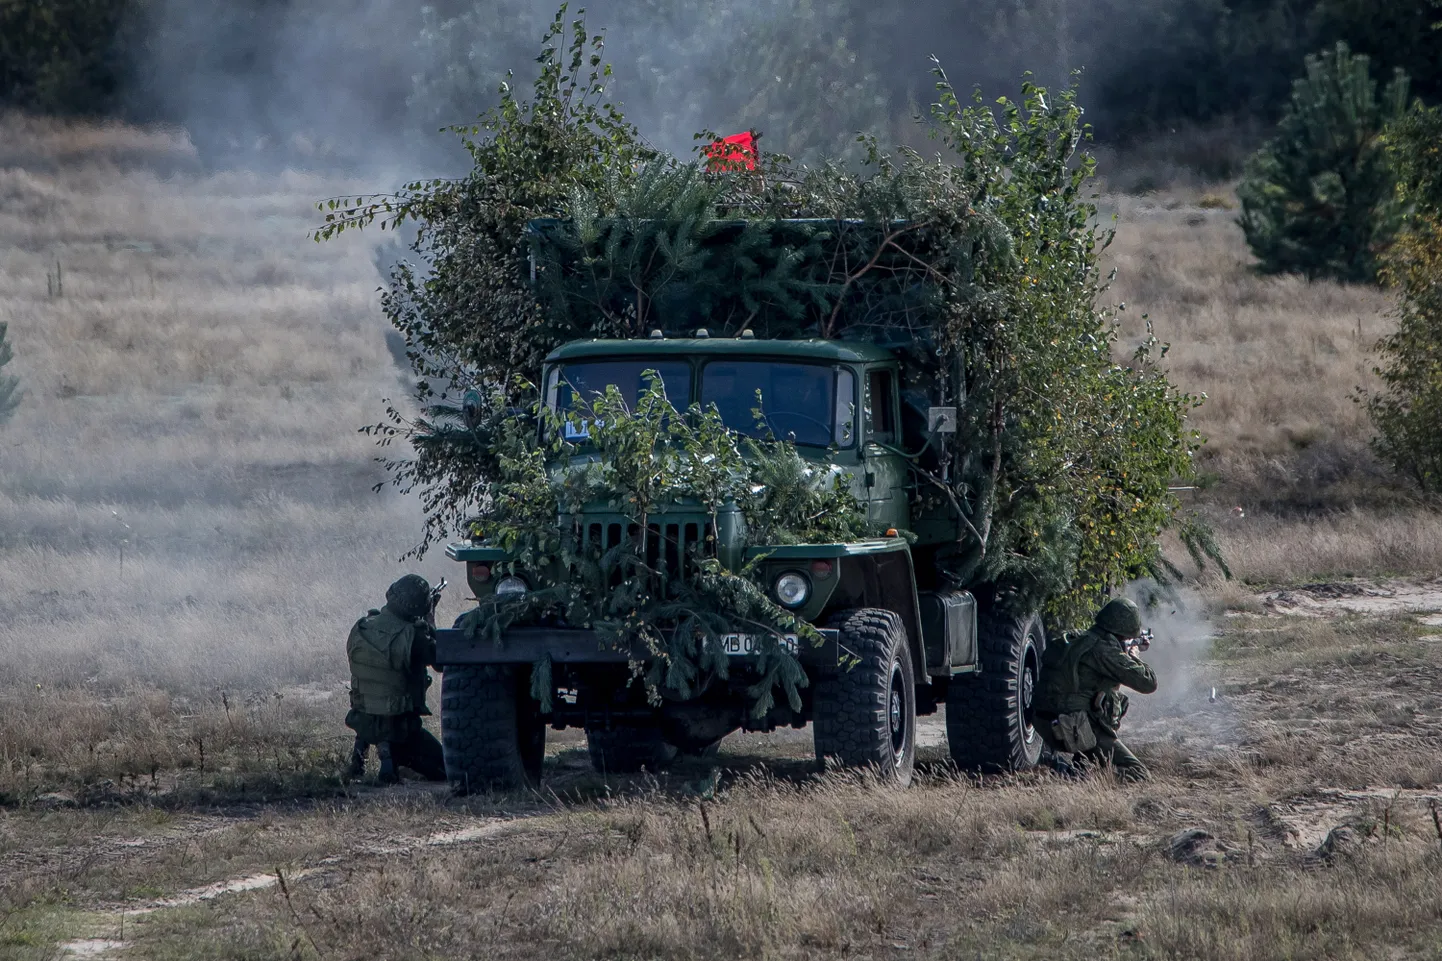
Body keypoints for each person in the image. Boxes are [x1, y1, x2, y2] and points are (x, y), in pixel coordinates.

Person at [1034, 597, 1158, 782]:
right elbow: (1148, 683)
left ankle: (1078, 764)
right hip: (1074, 727)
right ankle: (1069, 773)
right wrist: (1134, 656)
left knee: (1112, 700)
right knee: (1139, 775)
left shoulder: (1078, 639)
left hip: (1046, 722)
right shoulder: (1104, 650)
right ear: (1122, 632)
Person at [345, 574, 446, 783]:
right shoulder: (413, 637)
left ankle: (362, 759)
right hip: (400, 730)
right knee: (447, 769)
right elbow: (440, 662)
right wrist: (430, 620)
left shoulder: (362, 626)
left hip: (362, 720)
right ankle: (393, 759)